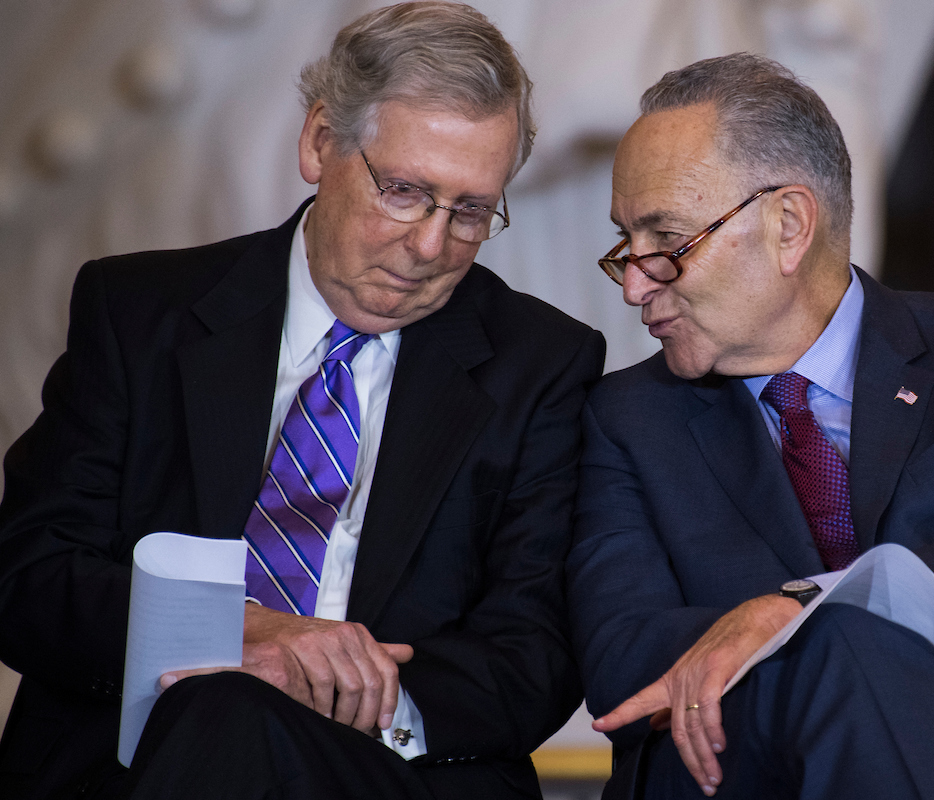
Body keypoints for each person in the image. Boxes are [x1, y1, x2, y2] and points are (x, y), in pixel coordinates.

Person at [0, 3, 605, 798]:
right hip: (132, 757)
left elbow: (536, 653)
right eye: (405, 191)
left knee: (237, 718)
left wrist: (341, 686)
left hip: (384, 768)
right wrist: (245, 637)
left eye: (469, 211)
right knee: (223, 712)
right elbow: (31, 577)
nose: (430, 246)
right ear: (321, 142)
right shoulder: (140, 312)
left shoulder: (541, 363)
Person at [567, 53, 934, 800]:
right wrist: (887, 669)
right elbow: (622, 652)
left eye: (668, 243)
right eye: (626, 244)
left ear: (789, 224)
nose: (633, 283)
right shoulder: (623, 417)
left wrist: (795, 606)